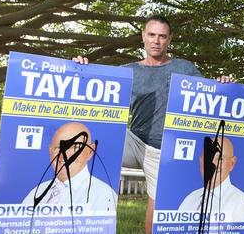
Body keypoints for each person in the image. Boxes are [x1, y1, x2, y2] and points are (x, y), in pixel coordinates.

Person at [73, 15, 232, 233]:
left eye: (162, 36)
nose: (156, 41)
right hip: (133, 140)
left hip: (160, 149)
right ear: (143, 37)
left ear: (169, 40)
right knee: (82, 140)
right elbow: (93, 88)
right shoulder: (128, 70)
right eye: (151, 35)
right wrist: (81, 69)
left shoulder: (184, 68)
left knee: (157, 206)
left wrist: (223, 84)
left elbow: (209, 96)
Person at [22, 121, 117, 215]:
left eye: (74, 147)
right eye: (59, 148)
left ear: (90, 152)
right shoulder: (37, 192)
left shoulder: (104, 196)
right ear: (50, 152)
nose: (64, 155)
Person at [178, 136, 244, 223]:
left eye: (220, 158)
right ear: (200, 160)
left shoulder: (241, 203)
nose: (212, 164)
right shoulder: (190, 198)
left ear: (232, 163)